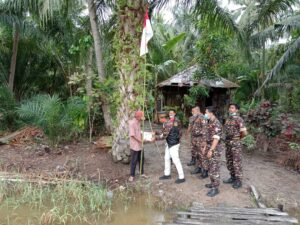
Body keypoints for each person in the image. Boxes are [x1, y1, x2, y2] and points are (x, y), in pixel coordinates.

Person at [154, 109, 185, 184]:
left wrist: (155, 138)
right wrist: (155, 132)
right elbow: (164, 132)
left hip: (173, 143)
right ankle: (167, 174)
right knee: (167, 158)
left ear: (162, 117)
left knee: (175, 160)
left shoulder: (169, 123)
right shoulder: (168, 122)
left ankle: (182, 177)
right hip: (169, 143)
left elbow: (164, 135)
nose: (158, 119)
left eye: (159, 118)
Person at [223, 103, 247, 189]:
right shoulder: (228, 119)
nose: (230, 109)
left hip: (236, 144)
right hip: (228, 143)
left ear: (236, 110)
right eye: (229, 108)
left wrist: (237, 139)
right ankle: (232, 177)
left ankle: (238, 180)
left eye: (232, 108)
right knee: (229, 161)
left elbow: (244, 133)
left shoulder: (239, 119)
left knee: (236, 162)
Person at [204, 106, 224, 197]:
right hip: (209, 146)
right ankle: (212, 183)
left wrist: (211, 150)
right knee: (210, 167)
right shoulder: (210, 122)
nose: (205, 114)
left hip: (215, 149)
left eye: (206, 112)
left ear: (211, 113)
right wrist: (205, 147)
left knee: (214, 168)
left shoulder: (217, 123)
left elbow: (216, 139)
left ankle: (215, 188)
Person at [189, 107, 208, 178]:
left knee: (202, 155)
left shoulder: (202, 117)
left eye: (193, 111)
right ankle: (199, 168)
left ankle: (205, 171)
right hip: (195, 138)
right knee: (197, 155)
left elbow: (205, 129)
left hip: (200, 138)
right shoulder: (195, 117)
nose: (192, 112)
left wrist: (204, 141)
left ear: (197, 111)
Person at [128, 110, 146, 182]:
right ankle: (132, 175)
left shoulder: (139, 122)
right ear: (138, 117)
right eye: (141, 117)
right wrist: (140, 140)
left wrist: (144, 137)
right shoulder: (132, 123)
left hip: (140, 145)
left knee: (141, 159)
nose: (142, 119)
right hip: (135, 146)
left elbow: (139, 132)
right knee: (134, 161)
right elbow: (132, 135)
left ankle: (142, 173)